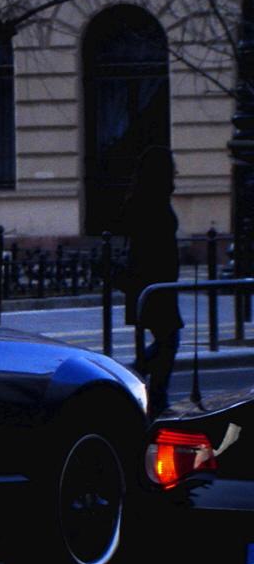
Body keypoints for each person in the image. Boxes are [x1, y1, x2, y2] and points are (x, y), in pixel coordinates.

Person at [118, 146, 182, 414]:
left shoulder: (145, 198)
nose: (177, 172)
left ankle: (153, 393)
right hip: (155, 283)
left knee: (168, 339)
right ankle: (135, 379)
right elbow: (154, 246)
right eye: (172, 167)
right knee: (169, 340)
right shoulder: (153, 202)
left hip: (154, 283)